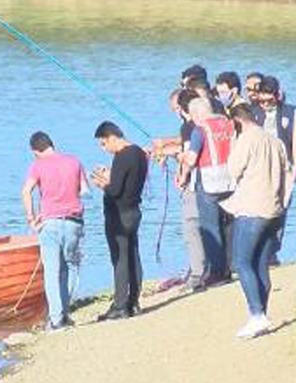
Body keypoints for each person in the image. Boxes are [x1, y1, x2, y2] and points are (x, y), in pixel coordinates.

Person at [221, 104, 291, 339]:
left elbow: (233, 170)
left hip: (252, 209)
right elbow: (286, 171)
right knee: (260, 263)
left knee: (242, 262)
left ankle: (257, 313)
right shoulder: (274, 141)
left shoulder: (246, 140)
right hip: (274, 209)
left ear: (237, 121)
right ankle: (261, 313)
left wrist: (233, 141)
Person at [21, 131, 88, 330]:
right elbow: (85, 190)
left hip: (49, 222)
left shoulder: (38, 165)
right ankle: (65, 313)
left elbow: (26, 191)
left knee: (52, 271)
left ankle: (56, 319)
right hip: (74, 221)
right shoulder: (74, 161)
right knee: (71, 267)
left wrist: (31, 218)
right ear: (52, 144)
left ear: (35, 151)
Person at [91, 121, 148, 321]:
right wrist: (111, 176)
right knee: (133, 255)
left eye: (103, 143)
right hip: (134, 210)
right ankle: (134, 301)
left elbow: (115, 190)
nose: (104, 148)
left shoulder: (122, 156)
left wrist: (102, 183)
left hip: (120, 213)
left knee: (120, 258)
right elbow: (126, 182)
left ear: (112, 138)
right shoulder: (139, 153)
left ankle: (120, 305)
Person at [152, 89, 207, 292]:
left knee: (192, 228)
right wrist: (165, 149)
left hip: (195, 185)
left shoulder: (189, 127)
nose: (176, 113)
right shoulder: (203, 125)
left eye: (176, 109)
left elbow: (189, 155)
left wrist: (182, 176)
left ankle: (197, 274)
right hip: (208, 184)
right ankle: (202, 269)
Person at [179, 97, 235, 284]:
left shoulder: (200, 129)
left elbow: (192, 159)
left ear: (196, 114)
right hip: (231, 181)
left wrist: (182, 161)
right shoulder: (227, 124)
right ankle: (230, 267)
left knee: (210, 227)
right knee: (229, 226)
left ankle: (216, 272)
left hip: (209, 183)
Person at [252, 76, 296, 263]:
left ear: (277, 95)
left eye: (269, 101)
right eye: (262, 101)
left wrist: (295, 170)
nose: (265, 105)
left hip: (284, 169)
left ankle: (273, 250)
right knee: (261, 209)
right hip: (260, 170)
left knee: (281, 208)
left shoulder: (289, 112)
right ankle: (260, 248)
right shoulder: (254, 113)